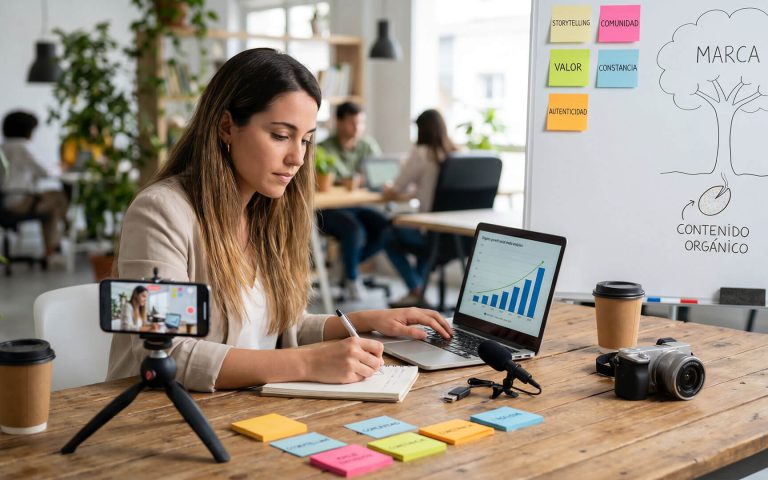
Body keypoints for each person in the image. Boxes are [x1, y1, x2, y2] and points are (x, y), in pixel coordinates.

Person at [107, 48, 452, 392]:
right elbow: (166, 354)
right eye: (281, 136)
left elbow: (280, 329)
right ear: (227, 126)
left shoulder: (267, 214)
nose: (297, 157)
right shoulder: (160, 212)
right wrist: (308, 363)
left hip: (244, 408)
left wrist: (366, 321)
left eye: (306, 139)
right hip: (162, 415)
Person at [381, 109, 460, 308]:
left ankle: (416, 288)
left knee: (387, 235)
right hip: (457, 238)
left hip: (431, 234)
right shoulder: (458, 154)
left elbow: (397, 188)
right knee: (418, 236)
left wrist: (388, 187)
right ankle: (417, 290)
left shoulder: (421, 153)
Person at [317, 102, 389, 300]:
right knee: (355, 230)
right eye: (352, 123)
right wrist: (351, 181)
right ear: (339, 122)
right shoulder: (323, 148)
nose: (358, 128)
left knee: (387, 228)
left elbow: (380, 176)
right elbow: (321, 181)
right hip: (329, 209)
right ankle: (351, 277)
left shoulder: (367, 145)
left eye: (361, 123)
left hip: (357, 206)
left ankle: (347, 264)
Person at [0, 110, 69, 260]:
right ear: (25, 130)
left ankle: (51, 248)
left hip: (5, 201)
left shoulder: (3, 147)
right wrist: (61, 168)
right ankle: (66, 231)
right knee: (59, 197)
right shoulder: (20, 148)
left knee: (51, 210)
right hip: (18, 201)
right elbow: (45, 172)